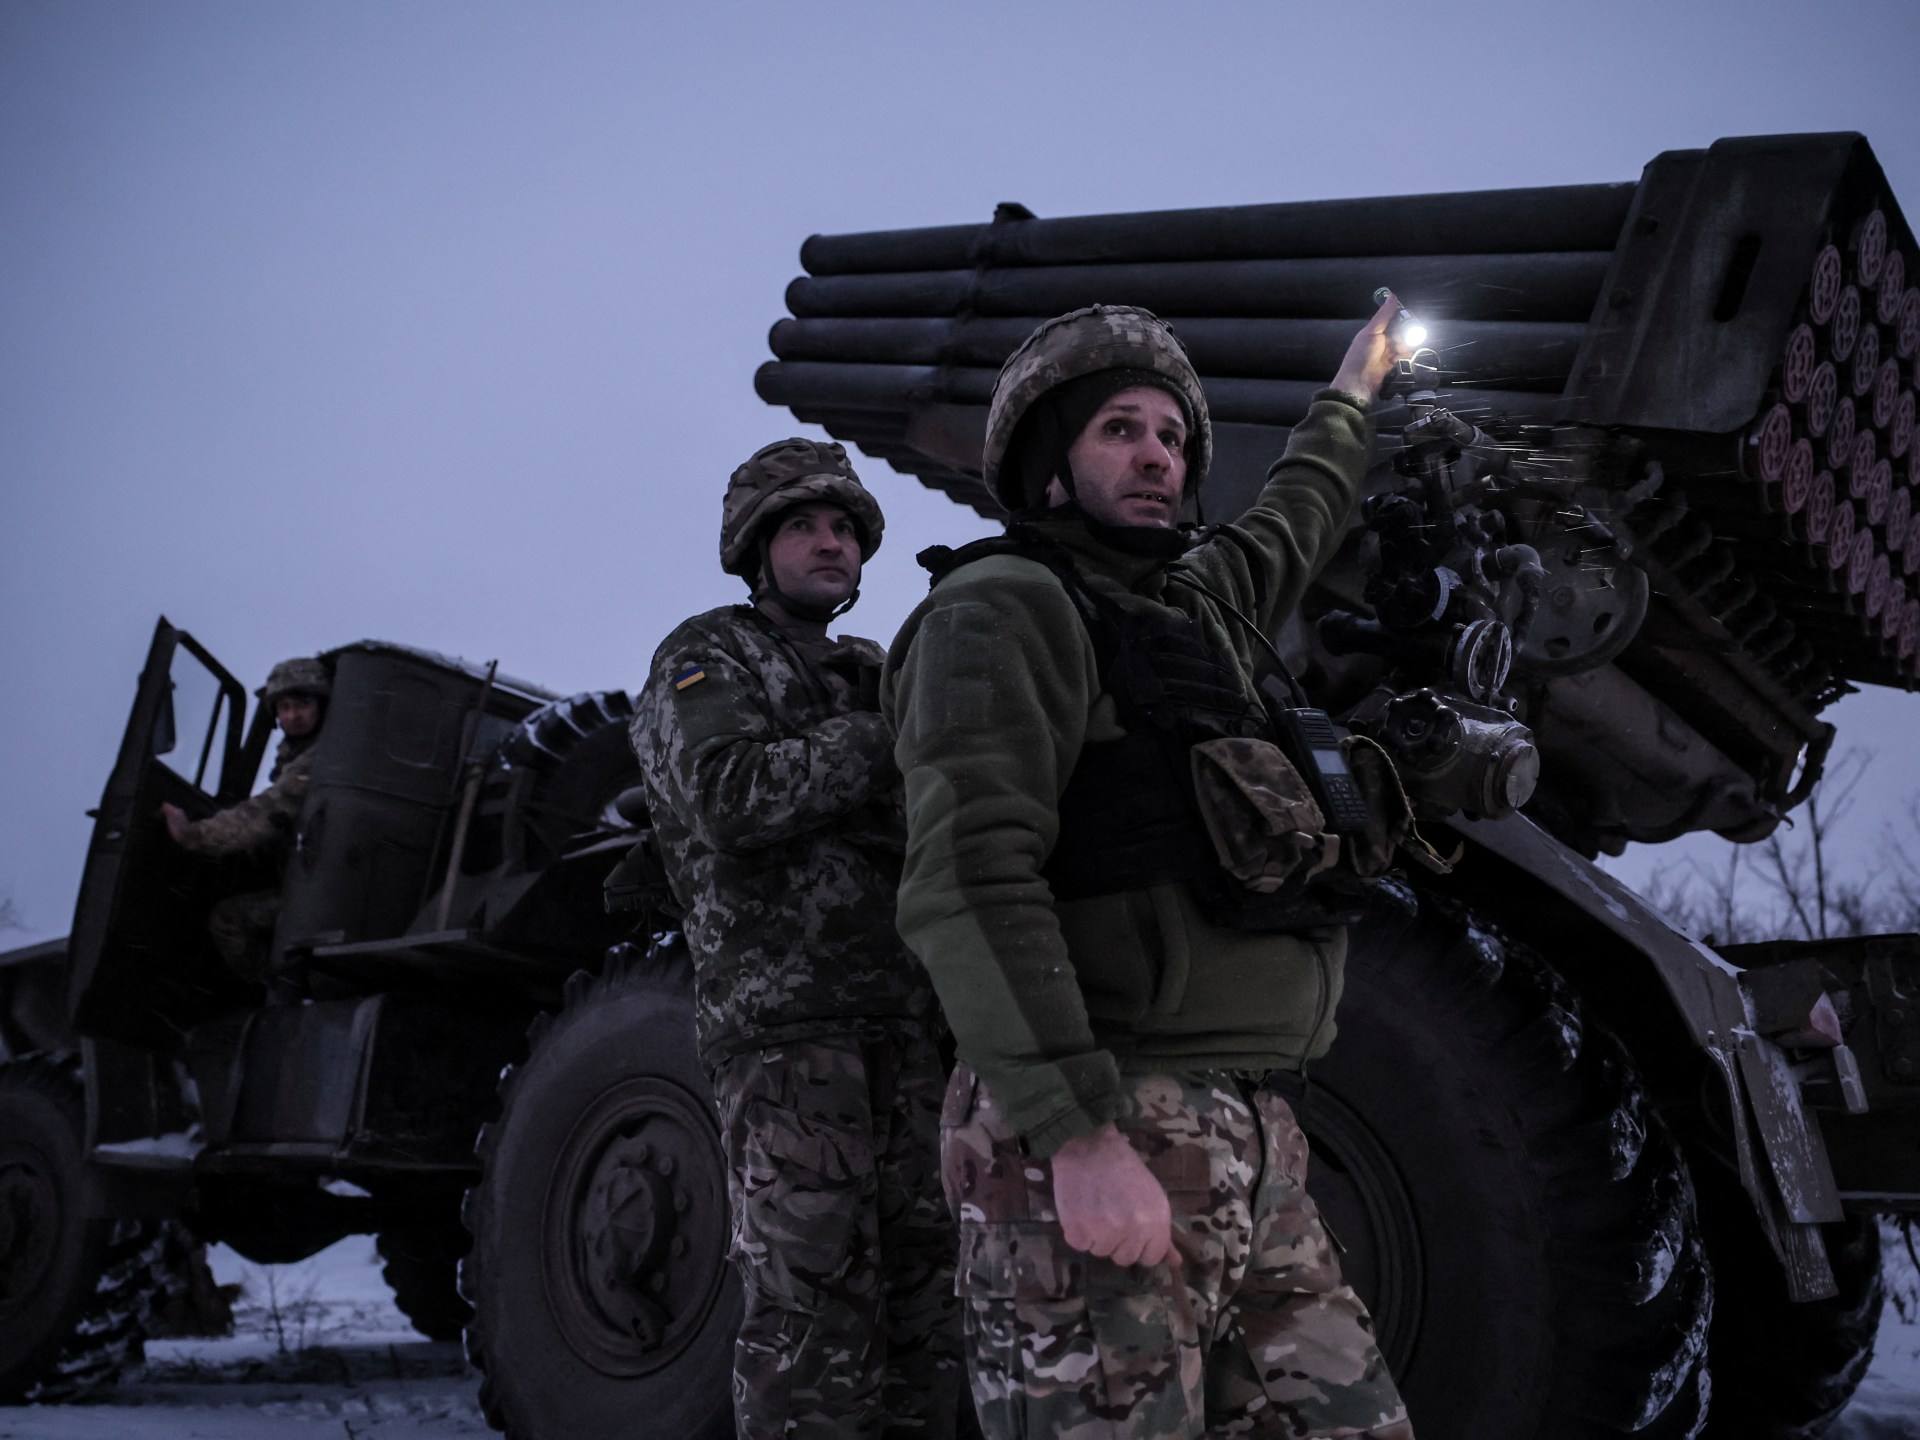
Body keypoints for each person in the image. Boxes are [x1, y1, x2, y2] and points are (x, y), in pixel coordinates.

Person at [883, 298, 1418, 1439]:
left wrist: (1351, 394)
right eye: (1119, 429)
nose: (1158, 457)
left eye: (1173, 437)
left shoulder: (1197, 612)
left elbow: (1296, 515)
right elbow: (970, 875)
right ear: (1050, 464)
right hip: (1102, 1121)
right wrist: (1073, 1135)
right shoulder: (1001, 608)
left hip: (1250, 1137)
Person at [629, 438, 961, 1440]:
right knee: (810, 1312)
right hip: (788, 1037)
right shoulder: (706, 656)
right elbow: (729, 796)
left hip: (910, 1028)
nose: (831, 544)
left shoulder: (875, 669)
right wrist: (885, 734)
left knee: (927, 1303)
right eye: (804, 526)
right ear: (754, 547)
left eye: (845, 529)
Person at [162, 655, 330, 981]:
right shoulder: (299, 755)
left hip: (316, 891)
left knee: (228, 920)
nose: (292, 715)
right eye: (284, 707)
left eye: (303, 704)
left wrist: (194, 835)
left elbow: (268, 810)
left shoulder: (316, 759)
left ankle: (279, 990)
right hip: (307, 879)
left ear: (321, 705)